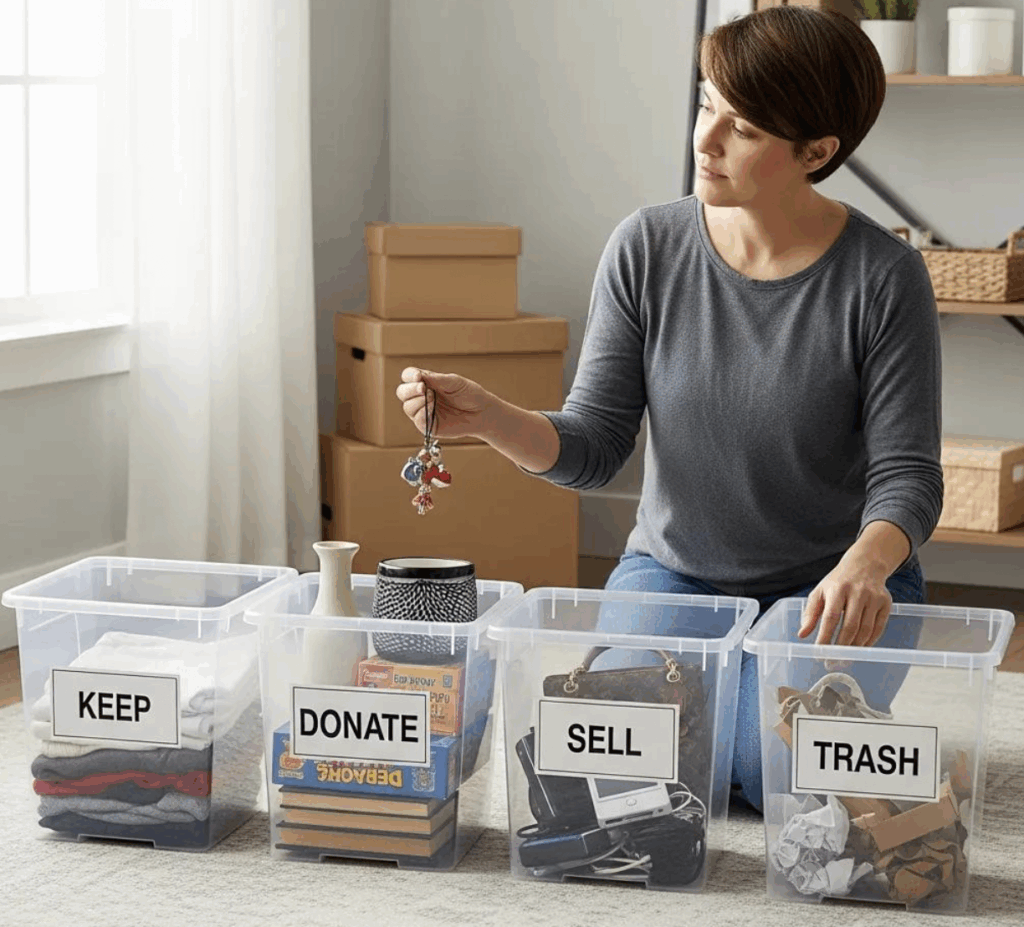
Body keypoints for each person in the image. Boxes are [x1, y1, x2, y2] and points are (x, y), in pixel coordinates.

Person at [394, 6, 943, 813]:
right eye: (706, 101)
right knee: (636, 756)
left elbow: (908, 475)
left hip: (830, 586)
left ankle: (762, 723)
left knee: (773, 775)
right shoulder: (646, 247)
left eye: (745, 127)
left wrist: (866, 565)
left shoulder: (884, 277)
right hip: (676, 571)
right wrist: (488, 419)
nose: (707, 137)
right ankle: (733, 720)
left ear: (816, 152)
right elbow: (595, 445)